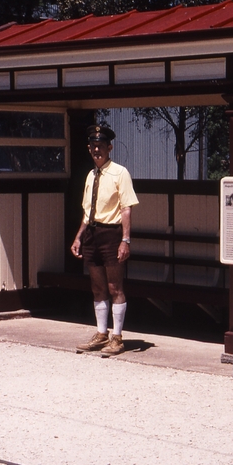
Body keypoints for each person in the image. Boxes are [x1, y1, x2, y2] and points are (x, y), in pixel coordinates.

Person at [71, 125, 139, 356]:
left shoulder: (121, 173)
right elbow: (87, 211)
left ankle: (117, 337)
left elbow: (126, 208)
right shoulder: (91, 175)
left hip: (111, 234)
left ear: (110, 147)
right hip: (92, 234)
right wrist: (79, 237)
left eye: (101, 146)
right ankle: (101, 334)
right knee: (97, 286)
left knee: (114, 287)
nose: (96, 150)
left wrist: (125, 240)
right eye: (93, 146)